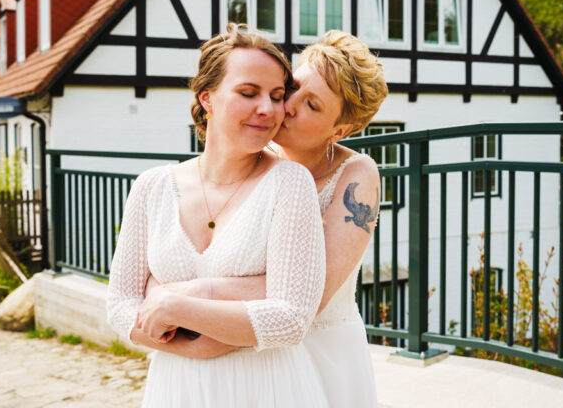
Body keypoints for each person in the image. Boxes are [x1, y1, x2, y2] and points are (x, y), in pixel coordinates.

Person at [146, 30, 389, 407]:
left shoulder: (357, 175)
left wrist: (190, 294)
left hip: (322, 351)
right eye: (291, 90)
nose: (286, 107)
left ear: (339, 130)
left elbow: (310, 291)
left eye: (312, 105)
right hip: (243, 349)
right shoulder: (254, 154)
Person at [106, 24, 329, 407]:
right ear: (207, 98)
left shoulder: (290, 183)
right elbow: (120, 305)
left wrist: (172, 305)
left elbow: (292, 319)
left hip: (267, 387)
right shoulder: (152, 187)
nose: (268, 109)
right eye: (248, 93)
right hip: (177, 386)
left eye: (277, 97)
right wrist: (195, 350)